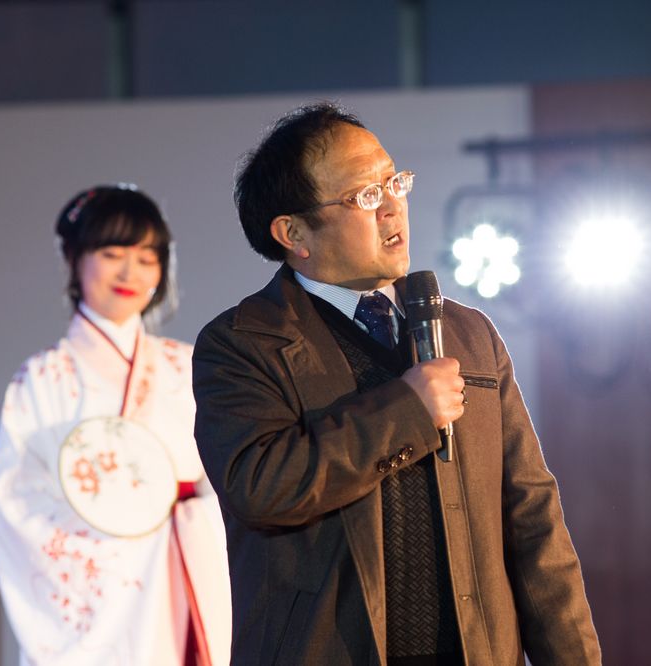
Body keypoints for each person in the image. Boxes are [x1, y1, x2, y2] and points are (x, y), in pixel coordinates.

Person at [191, 104, 601, 665]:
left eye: (394, 182)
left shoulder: (467, 332)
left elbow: (533, 518)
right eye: (365, 195)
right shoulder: (244, 343)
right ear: (294, 233)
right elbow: (261, 487)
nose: (392, 207)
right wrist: (407, 412)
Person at [0, 184, 231, 665]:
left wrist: (195, 518)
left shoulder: (189, 366)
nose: (129, 272)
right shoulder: (42, 379)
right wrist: (125, 540)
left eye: (146, 257)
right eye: (112, 253)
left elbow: (232, 473)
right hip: (105, 599)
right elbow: (17, 506)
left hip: (191, 578)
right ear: (74, 260)